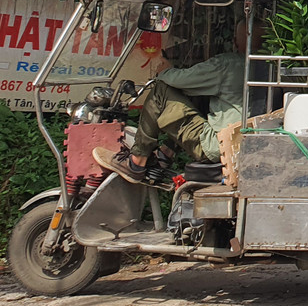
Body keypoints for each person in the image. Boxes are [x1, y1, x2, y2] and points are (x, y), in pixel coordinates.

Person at [94, 18, 252, 183]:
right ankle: (164, 155)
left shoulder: (229, 64)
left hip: (218, 146)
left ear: (234, 41)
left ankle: (137, 161)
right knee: (200, 98)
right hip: (245, 144)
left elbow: (181, 80)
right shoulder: (272, 68)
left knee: (160, 91)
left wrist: (166, 70)